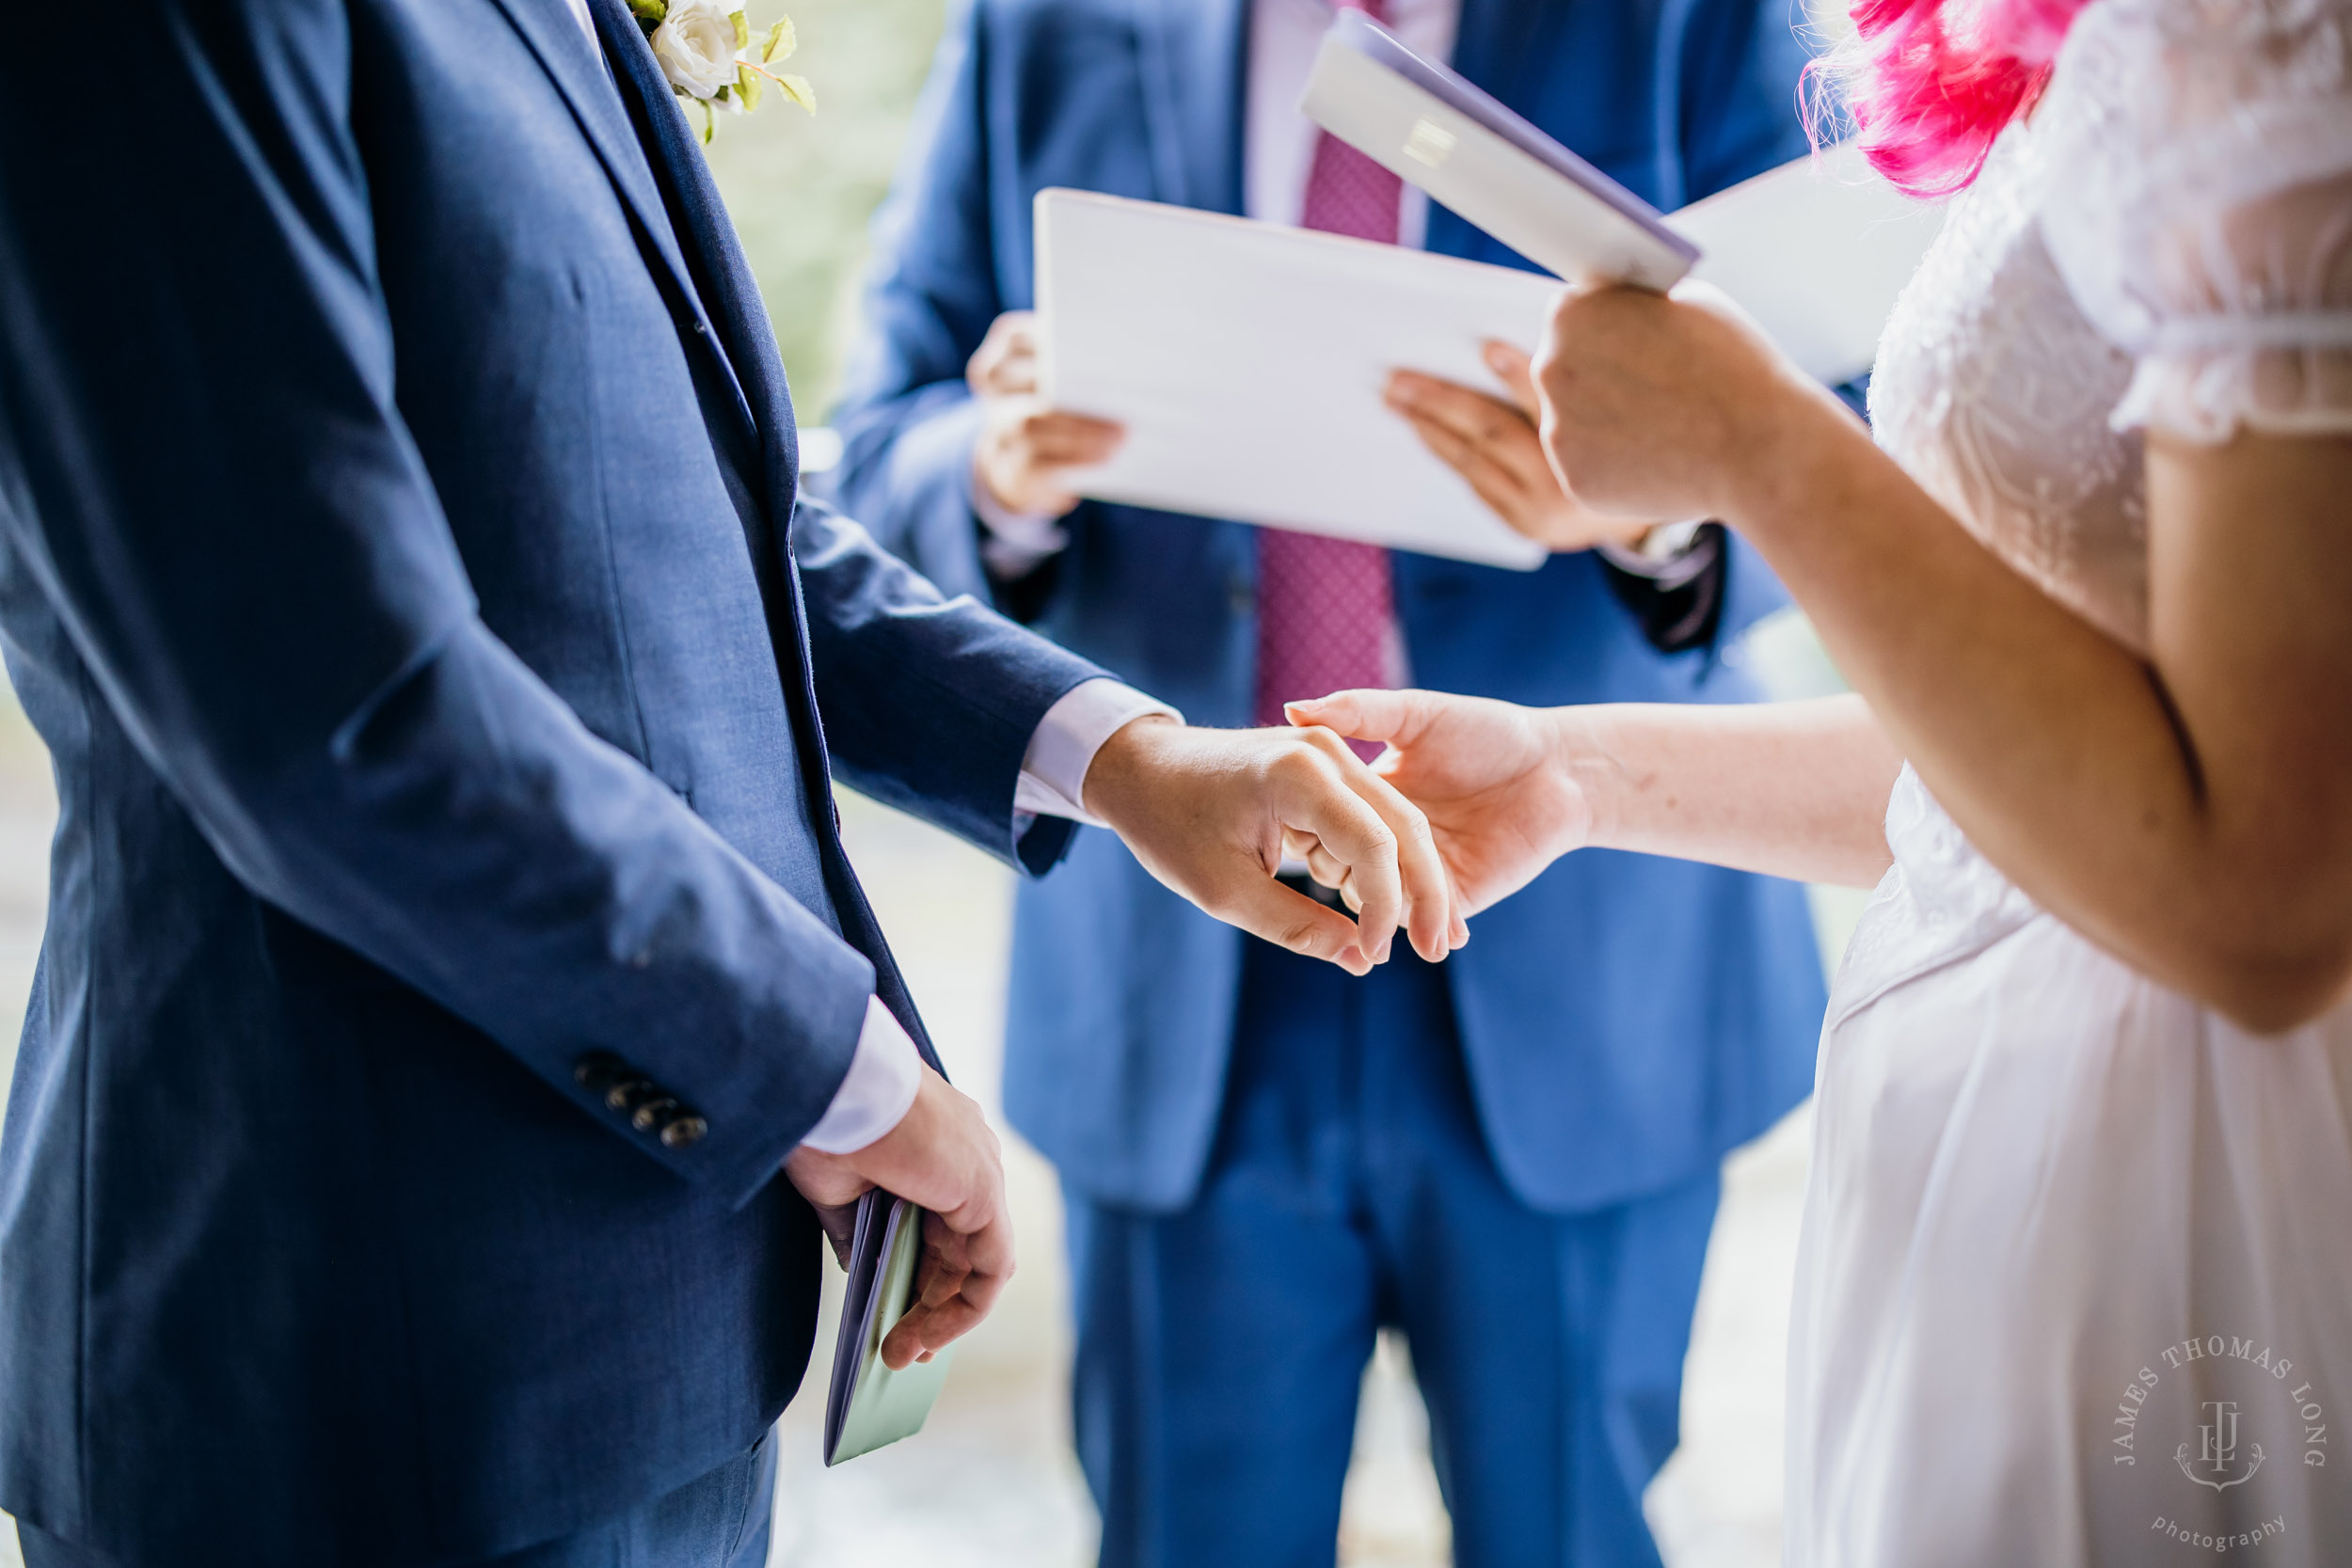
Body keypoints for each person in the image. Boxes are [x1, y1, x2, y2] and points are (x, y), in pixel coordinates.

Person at [0, 1, 1462, 1563]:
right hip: (345, 1358)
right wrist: (835, 1073)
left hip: (664, 1332)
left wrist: (1125, 758)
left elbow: (690, 530)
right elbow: (336, 705)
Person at [1288, 0, 2352, 1560]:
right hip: (1992, 1172)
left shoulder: (2274, 44)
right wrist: (1577, 775)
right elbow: (2072, 757)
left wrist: (1761, 449)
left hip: (2192, 1172)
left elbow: (2265, 894)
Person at [825, 1, 1832, 1562]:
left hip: (1580, 973)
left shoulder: (1687, 19)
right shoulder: (1042, 22)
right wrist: (994, 476)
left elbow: (1868, 434)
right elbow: (872, 442)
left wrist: (1652, 507)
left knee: (1572, 1532)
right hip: (1183, 982)